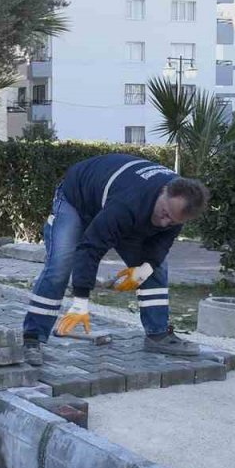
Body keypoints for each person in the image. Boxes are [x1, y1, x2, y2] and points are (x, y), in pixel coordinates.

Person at [21, 153, 211, 365]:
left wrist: (144, 269)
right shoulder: (128, 203)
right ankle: (33, 338)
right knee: (60, 266)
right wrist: (80, 302)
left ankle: (158, 335)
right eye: (165, 213)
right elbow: (90, 248)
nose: (165, 222)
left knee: (155, 269)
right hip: (76, 199)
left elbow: (160, 245)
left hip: (119, 205)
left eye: (172, 221)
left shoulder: (177, 208)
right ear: (163, 191)